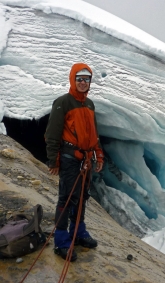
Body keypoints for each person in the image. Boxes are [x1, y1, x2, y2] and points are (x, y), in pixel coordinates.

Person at [45, 63, 104, 262]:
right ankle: (61, 241)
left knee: (82, 196)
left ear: (89, 82)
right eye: (79, 78)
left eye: (86, 79)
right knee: (66, 198)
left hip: (86, 159)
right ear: (72, 79)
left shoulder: (89, 104)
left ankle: (78, 232)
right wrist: (53, 160)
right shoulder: (63, 102)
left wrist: (98, 154)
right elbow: (52, 134)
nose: (82, 82)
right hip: (70, 158)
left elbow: (94, 134)